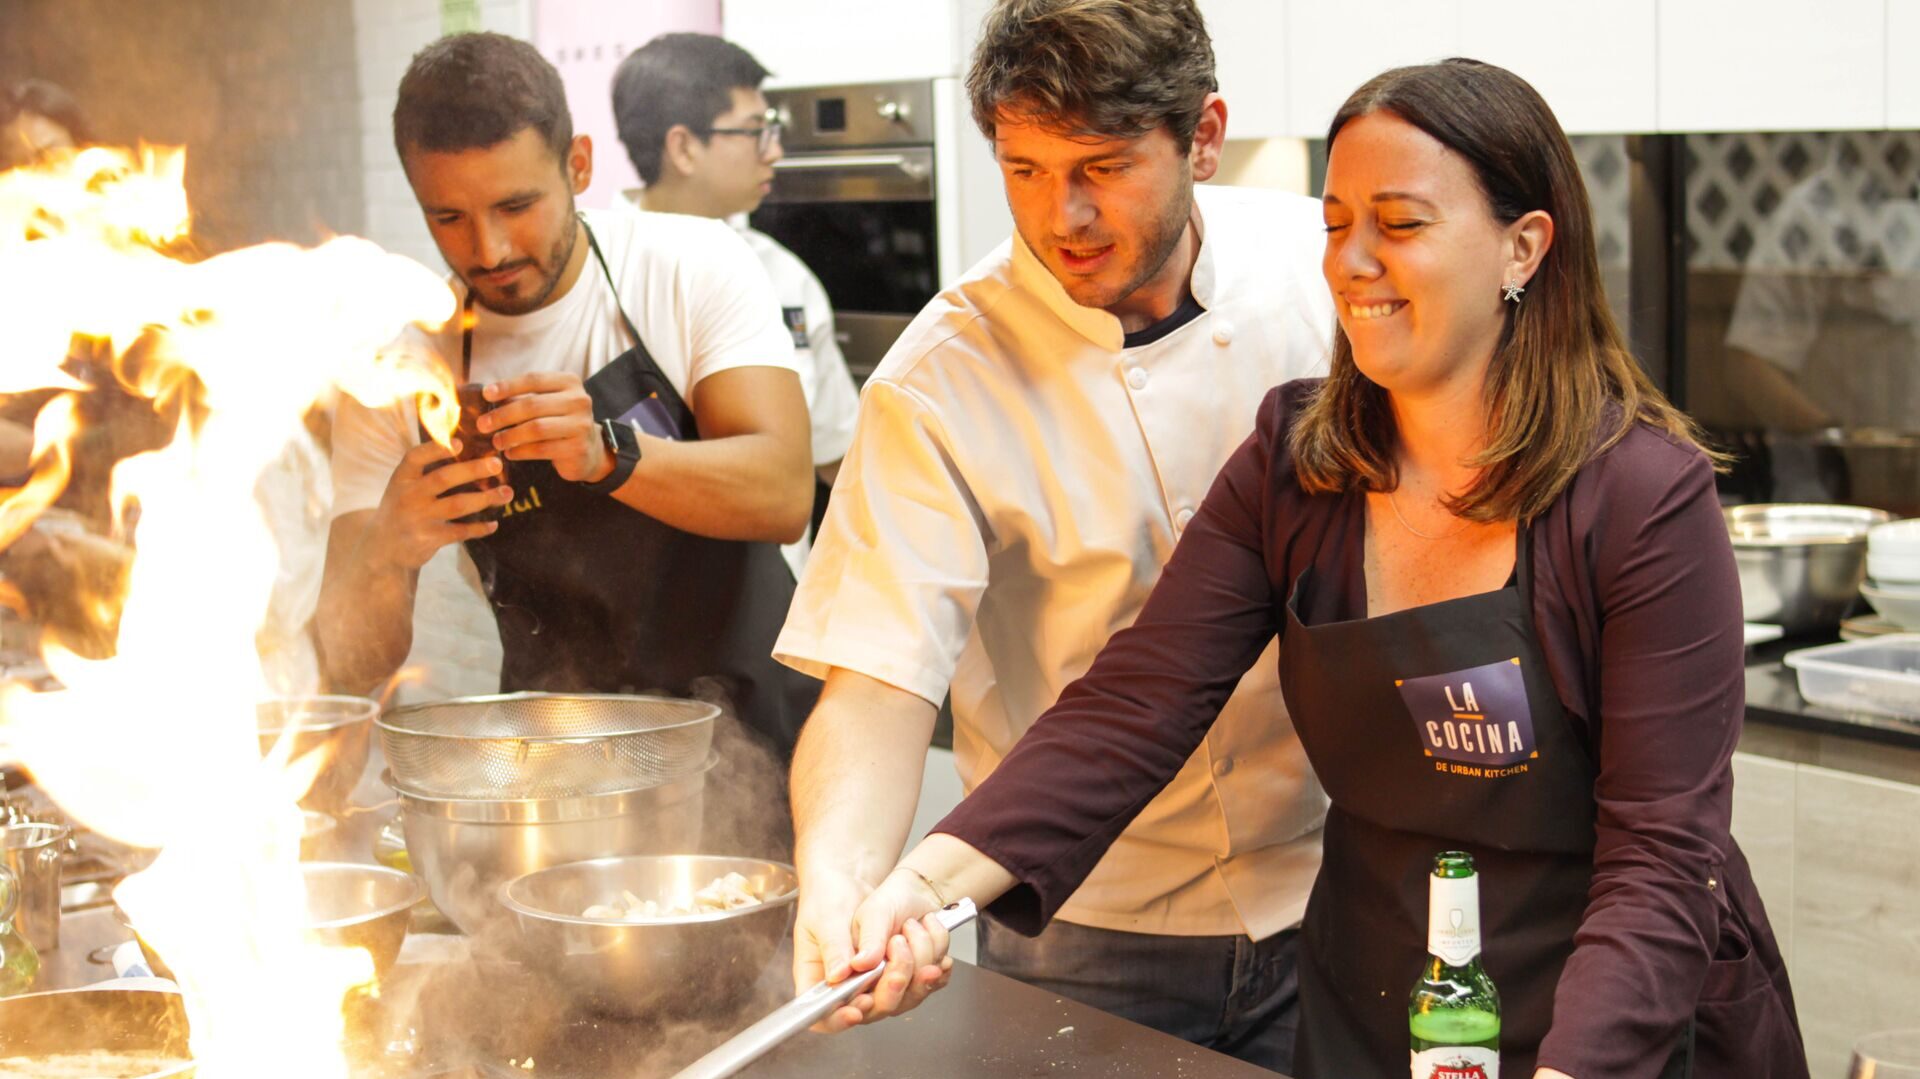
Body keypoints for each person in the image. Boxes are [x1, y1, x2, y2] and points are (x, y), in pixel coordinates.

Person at [843, 58, 1810, 1079]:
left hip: (1606, 1010)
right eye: (1338, 222)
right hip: (1377, 1000)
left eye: (1399, 224)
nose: (1352, 261)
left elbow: (1660, 860)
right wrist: (928, 877)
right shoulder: (1296, 459)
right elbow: (1136, 702)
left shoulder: (1641, 498)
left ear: (1524, 248)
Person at [773, 0, 1332, 1070]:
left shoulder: (1319, 270)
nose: (1061, 215)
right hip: (1083, 914)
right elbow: (879, 681)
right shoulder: (942, 379)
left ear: (1204, 137)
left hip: (1337, 881)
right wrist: (842, 877)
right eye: (1024, 169)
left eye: (1103, 166)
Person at [320, 33, 820, 754]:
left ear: (578, 165)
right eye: (448, 218)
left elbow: (781, 494)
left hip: (758, 734)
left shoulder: (688, 267)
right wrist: (388, 550)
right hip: (562, 760)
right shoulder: (397, 371)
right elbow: (344, 663)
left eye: (516, 204)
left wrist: (606, 453)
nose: (488, 250)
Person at [610, 32, 861, 576]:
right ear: (683, 147)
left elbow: (842, 459)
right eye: (754, 132)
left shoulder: (784, 277)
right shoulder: (594, 276)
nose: (773, 150)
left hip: (775, 630)